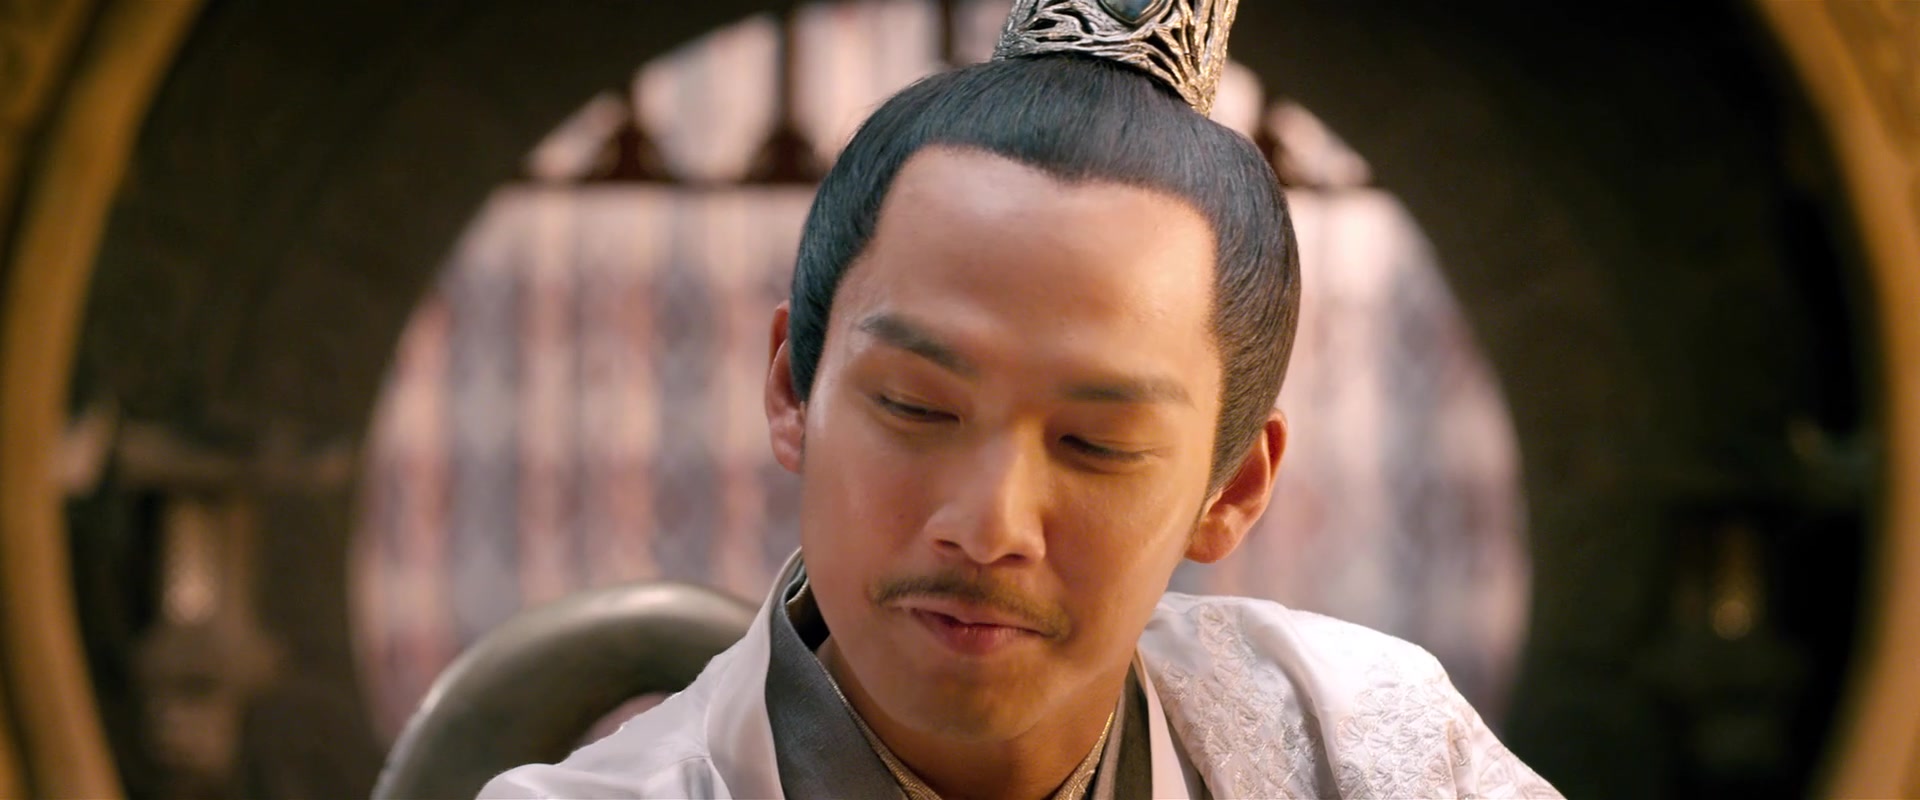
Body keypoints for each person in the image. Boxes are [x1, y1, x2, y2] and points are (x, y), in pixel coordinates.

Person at [480, 0, 1560, 797]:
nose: (990, 526)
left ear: (1233, 486)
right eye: (916, 407)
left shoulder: (1366, 747)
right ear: (792, 386)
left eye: (1097, 442)